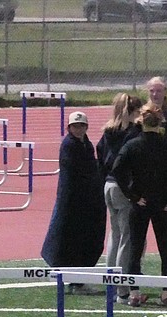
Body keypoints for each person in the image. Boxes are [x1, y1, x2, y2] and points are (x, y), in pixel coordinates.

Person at [112, 103, 167, 306]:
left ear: (141, 122)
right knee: (165, 249)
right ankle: (165, 294)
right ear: (161, 122)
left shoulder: (132, 145)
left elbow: (116, 169)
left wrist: (132, 195)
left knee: (135, 249)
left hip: (141, 203)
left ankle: (134, 293)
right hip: (163, 204)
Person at [41, 111, 106, 293]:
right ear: (69, 128)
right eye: (75, 126)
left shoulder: (86, 144)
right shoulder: (69, 145)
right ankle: (73, 278)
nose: (79, 129)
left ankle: (77, 278)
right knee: (69, 239)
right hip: (72, 200)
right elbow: (80, 171)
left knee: (82, 239)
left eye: (82, 125)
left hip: (83, 200)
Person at [96, 93, 143, 288]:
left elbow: (100, 157)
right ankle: (122, 286)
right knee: (127, 237)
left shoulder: (108, 132)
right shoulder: (132, 133)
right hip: (122, 186)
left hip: (108, 184)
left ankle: (111, 281)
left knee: (115, 235)